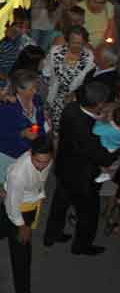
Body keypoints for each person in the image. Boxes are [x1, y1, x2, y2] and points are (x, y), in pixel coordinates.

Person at [44, 82, 119, 254]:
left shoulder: (71, 109)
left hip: (64, 167)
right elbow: (104, 158)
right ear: (99, 105)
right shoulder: (87, 130)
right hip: (83, 177)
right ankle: (81, 246)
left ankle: (52, 235)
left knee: (60, 204)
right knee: (88, 214)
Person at [0, 135, 54, 293]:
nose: (41, 166)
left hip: (30, 203)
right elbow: (11, 205)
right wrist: (22, 226)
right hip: (19, 212)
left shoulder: (46, 160)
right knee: (22, 255)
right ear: (30, 153)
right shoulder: (18, 174)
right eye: (38, 161)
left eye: (46, 162)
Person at [0, 69, 48, 183]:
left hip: (27, 152)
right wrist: (22, 133)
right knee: (4, 184)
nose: (35, 91)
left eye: (35, 87)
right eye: (31, 89)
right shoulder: (8, 107)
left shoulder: (36, 100)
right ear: (19, 89)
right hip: (8, 154)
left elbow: (40, 121)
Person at [43, 26, 95, 131]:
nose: (76, 46)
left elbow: (88, 82)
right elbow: (46, 73)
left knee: (69, 130)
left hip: (73, 101)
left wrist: (75, 94)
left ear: (85, 42)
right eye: (73, 42)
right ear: (67, 41)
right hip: (53, 96)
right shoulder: (55, 52)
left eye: (80, 43)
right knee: (52, 129)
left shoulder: (90, 58)